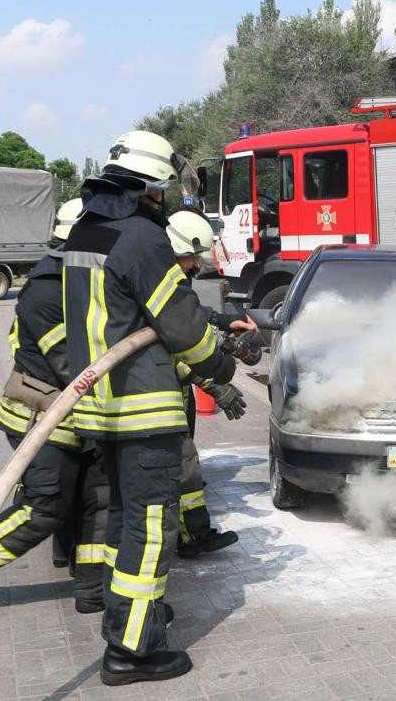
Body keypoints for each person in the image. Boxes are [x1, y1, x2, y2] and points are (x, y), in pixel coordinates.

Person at [63, 131, 235, 686]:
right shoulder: (140, 238)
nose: (164, 198)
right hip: (142, 407)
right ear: (147, 187)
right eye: (161, 188)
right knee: (152, 526)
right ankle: (132, 650)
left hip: (101, 409)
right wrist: (224, 369)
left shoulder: (87, 231)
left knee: (123, 522)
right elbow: (179, 322)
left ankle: (130, 616)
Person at [0, 199, 111, 616]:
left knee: (96, 499)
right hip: (42, 420)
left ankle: (91, 588)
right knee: (46, 508)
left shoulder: (74, 279)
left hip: (78, 420)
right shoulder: (46, 291)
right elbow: (73, 366)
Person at [163, 209, 248, 558]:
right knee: (184, 466)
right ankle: (192, 536)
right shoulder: (163, 283)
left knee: (186, 465)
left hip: (175, 393)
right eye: (191, 258)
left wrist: (225, 322)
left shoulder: (167, 278)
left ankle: (190, 534)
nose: (196, 266)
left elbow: (192, 316)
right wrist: (214, 382)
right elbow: (173, 347)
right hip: (161, 396)